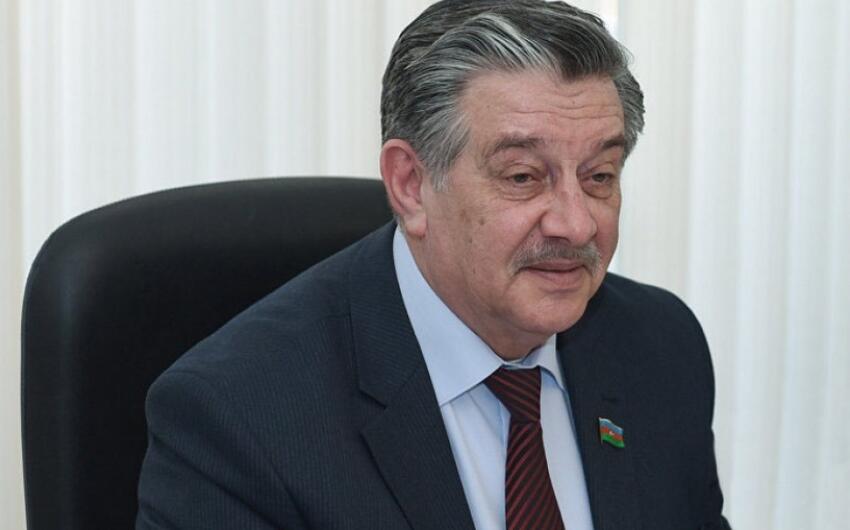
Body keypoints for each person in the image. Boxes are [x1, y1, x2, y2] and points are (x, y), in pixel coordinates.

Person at [136, 1, 730, 529]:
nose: (577, 225)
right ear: (411, 185)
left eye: (599, 176)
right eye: (523, 177)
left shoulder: (660, 346)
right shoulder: (239, 417)